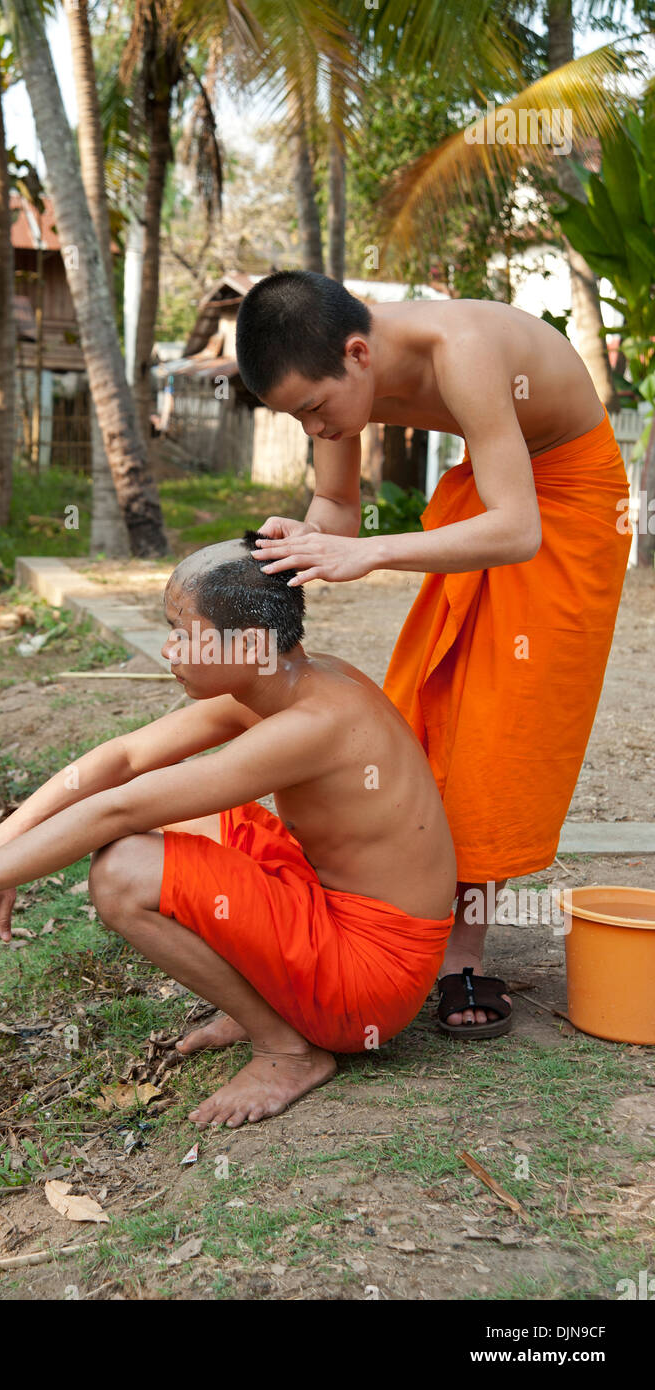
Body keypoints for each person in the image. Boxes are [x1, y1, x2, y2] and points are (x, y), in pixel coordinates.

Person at [0, 533, 457, 1129]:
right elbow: (124, 759)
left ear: (248, 643)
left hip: (369, 981)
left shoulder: (314, 723)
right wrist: (3, 838)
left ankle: (287, 1049)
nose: (168, 648)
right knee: (178, 821)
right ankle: (270, 994)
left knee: (122, 871)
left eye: (183, 630)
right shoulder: (284, 678)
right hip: (328, 909)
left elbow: (118, 809)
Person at [235, 270, 632, 1038]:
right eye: (296, 418)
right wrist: (299, 541)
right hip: (492, 488)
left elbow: (519, 529)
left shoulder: (465, 348)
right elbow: (339, 509)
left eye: (314, 410)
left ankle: (465, 955)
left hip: (566, 499)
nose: (315, 431)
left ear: (358, 355)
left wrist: (371, 556)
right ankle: (398, 914)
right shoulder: (333, 383)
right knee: (431, 699)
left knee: (498, 731)